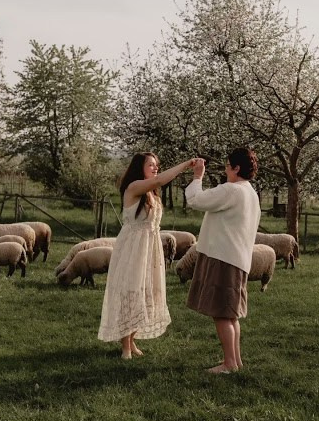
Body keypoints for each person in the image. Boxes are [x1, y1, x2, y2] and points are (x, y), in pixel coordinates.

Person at [97, 152, 197, 359]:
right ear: (139, 167)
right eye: (151, 164)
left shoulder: (152, 193)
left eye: (156, 164)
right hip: (133, 247)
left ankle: (132, 340)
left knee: (144, 292)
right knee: (131, 291)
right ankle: (125, 346)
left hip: (149, 247)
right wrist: (185, 165)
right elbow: (159, 180)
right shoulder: (134, 187)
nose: (155, 168)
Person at [184, 147, 262, 373]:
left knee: (221, 313)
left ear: (236, 168)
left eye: (228, 165)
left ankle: (228, 364)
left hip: (223, 257)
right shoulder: (250, 193)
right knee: (230, 314)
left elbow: (195, 200)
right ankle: (235, 362)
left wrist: (198, 176)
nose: (226, 170)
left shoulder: (232, 190)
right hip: (238, 258)